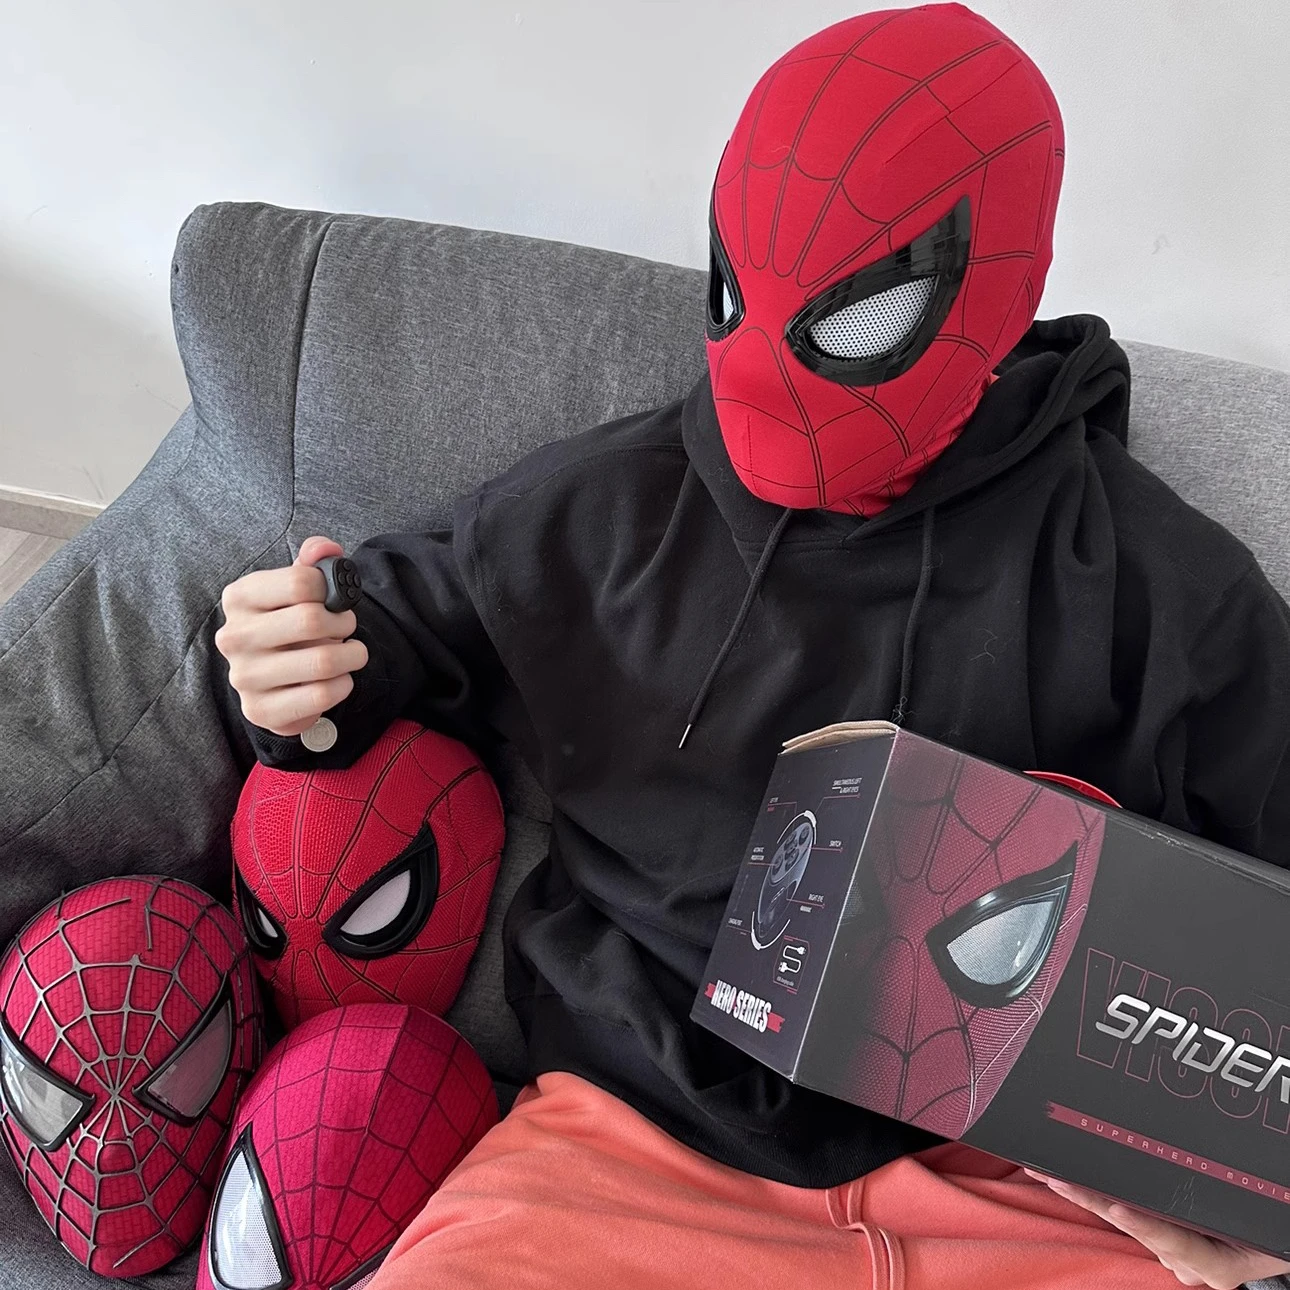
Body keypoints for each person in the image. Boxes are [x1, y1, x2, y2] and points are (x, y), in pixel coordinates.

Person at [215, 6, 1290, 1288]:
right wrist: (290, 661)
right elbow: (370, 638)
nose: (773, 368)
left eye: (857, 318)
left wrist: (1251, 1212)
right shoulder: (603, 513)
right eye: (740, 290)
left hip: (1031, 1191)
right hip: (626, 1154)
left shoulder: (1166, 592)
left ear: (1004, 282)